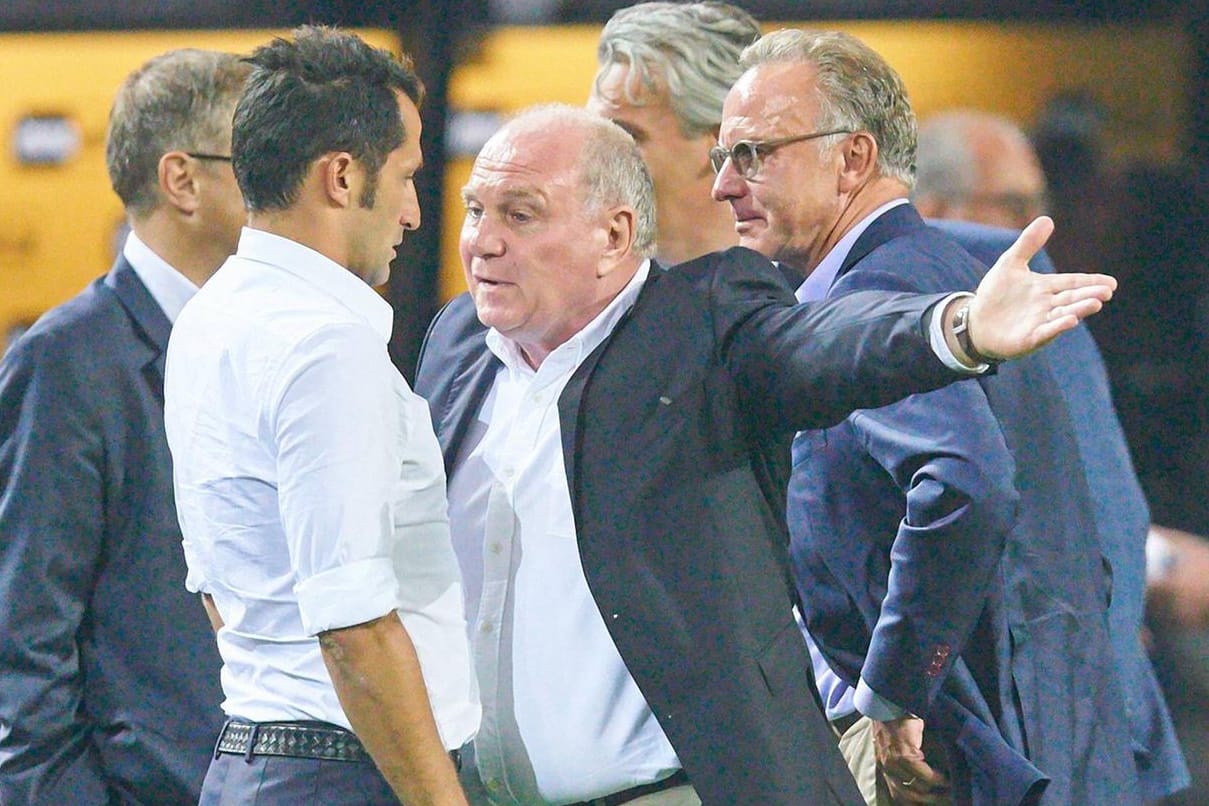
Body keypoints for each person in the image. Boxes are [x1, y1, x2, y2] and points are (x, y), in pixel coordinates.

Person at [414, 101, 1116, 805]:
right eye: (476, 210)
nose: (481, 240)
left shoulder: (704, 323)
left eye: (520, 214)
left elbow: (827, 348)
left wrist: (956, 328)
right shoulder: (456, 342)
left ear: (613, 233)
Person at [709, 28, 1159, 805]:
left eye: (752, 154)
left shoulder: (881, 292)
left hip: (946, 758)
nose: (723, 184)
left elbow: (964, 484)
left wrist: (890, 693)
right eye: (720, 157)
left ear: (851, 158)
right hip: (1031, 739)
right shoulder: (949, 270)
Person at [163, 27, 478, 805]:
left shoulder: (209, 318)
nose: (412, 212)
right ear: (341, 176)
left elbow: (221, 600)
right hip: (341, 773)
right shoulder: (323, 347)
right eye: (406, 176)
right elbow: (355, 629)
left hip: (259, 760)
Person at [915, 108, 1190, 802]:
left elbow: (1101, 511)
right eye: (1013, 204)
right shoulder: (878, 312)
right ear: (930, 209)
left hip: (1046, 730)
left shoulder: (1041, 301)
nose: (1038, 225)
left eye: (1039, 202)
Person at [0, 49, 246, 803]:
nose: (292, 191)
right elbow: (23, 641)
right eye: (262, 162)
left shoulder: (263, 347)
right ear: (182, 181)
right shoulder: (68, 362)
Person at [587, 1, 759, 264]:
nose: (587, 159)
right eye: (591, 135)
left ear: (722, 143)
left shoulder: (817, 289)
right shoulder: (577, 294)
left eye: (622, 136)